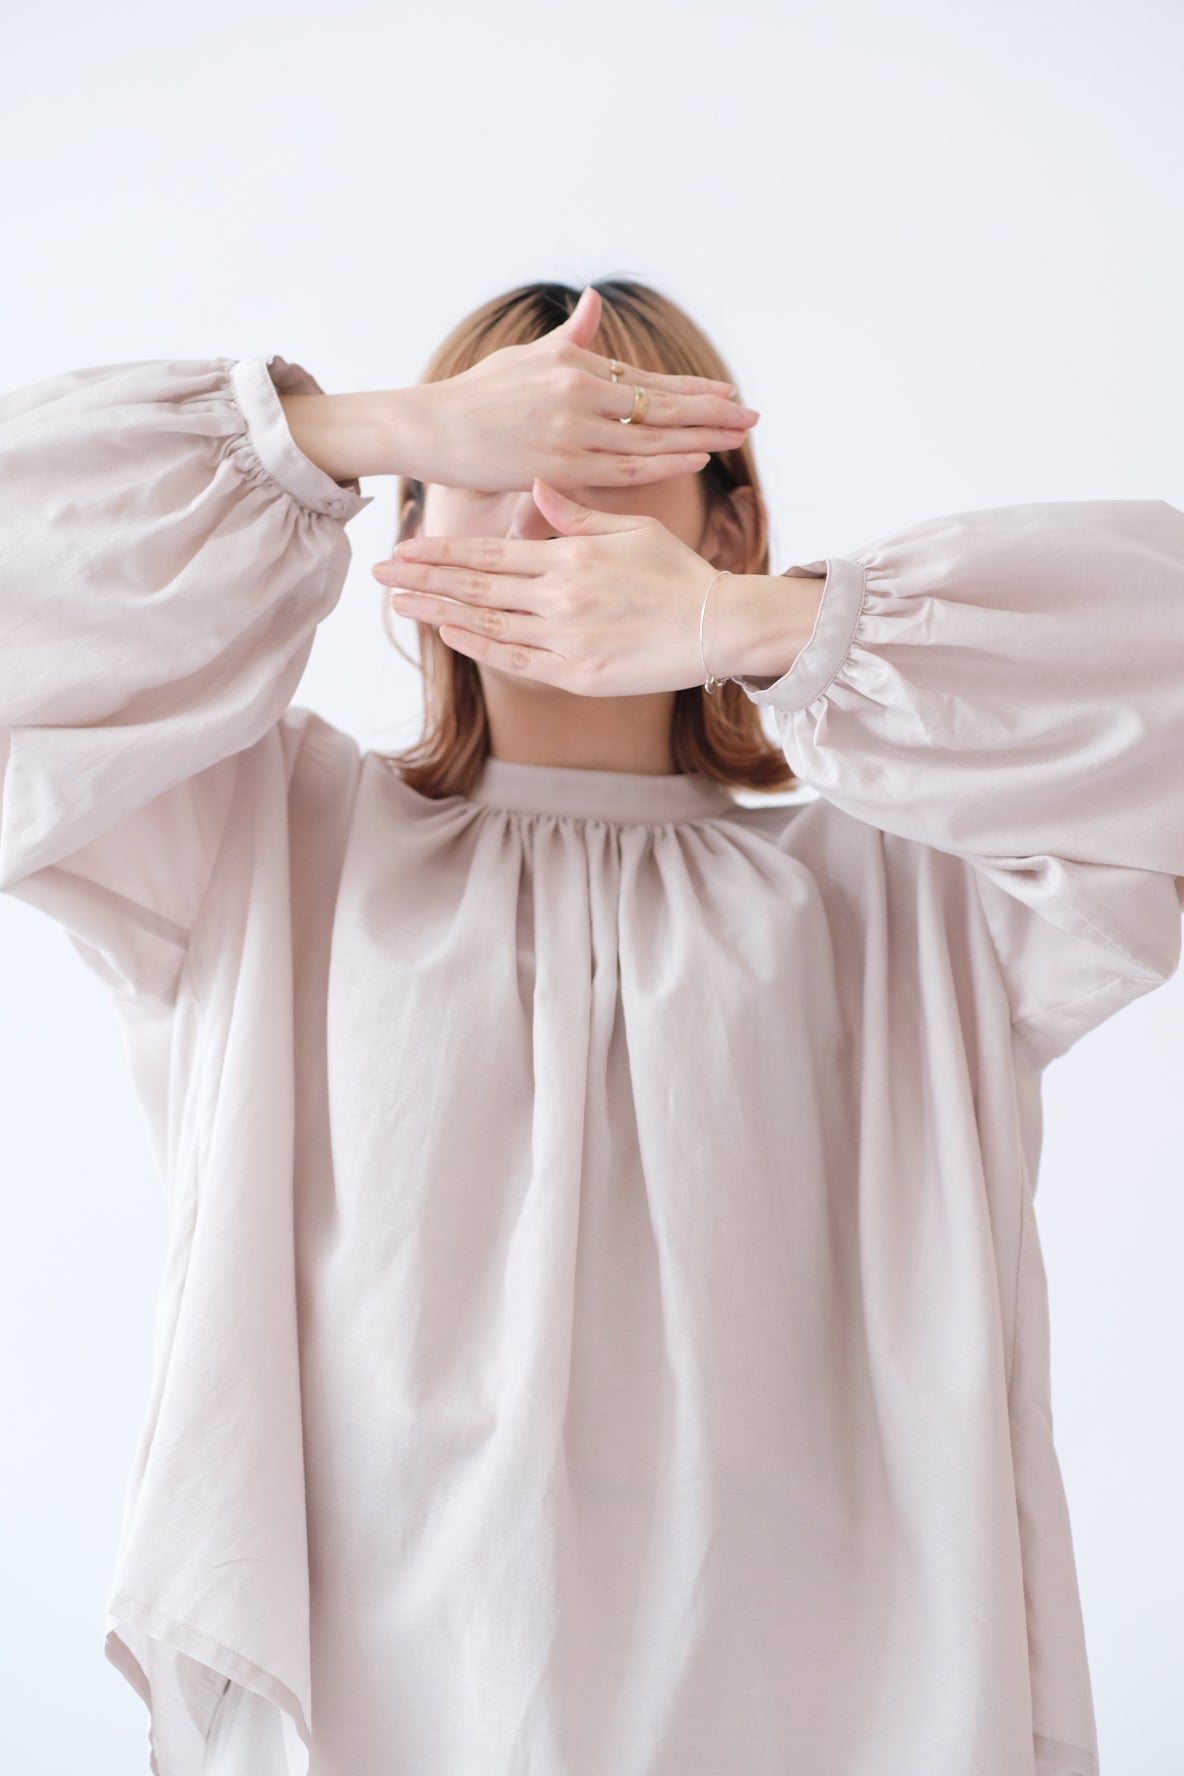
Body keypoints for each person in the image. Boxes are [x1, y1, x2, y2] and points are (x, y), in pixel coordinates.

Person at [0, 277, 1180, 1776]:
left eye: (612, 447)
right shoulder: (265, 836)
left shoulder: (907, 889)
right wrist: (351, 432)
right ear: (408, 521)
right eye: (495, 452)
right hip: (381, 1702)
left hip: (810, 1701)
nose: (545, 503)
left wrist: (759, 629)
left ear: (728, 530)